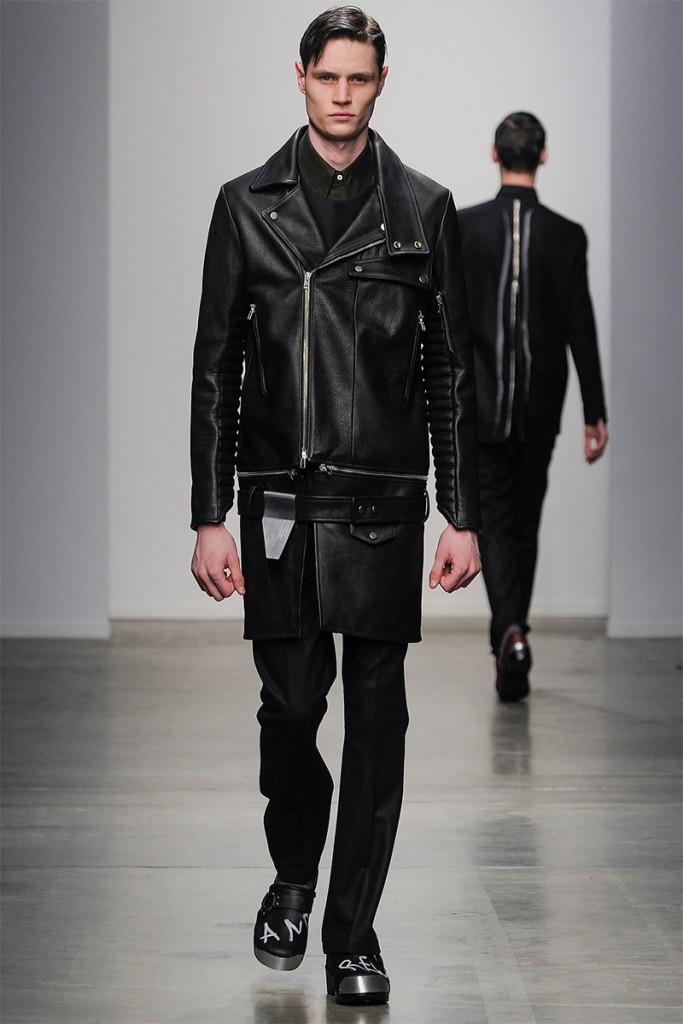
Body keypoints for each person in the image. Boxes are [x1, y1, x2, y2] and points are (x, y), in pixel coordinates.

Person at [189, 6, 481, 1007]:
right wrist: (208, 514)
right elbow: (216, 367)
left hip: (383, 505)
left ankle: (353, 935)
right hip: (275, 501)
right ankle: (293, 872)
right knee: (289, 707)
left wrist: (461, 512)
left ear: (380, 82)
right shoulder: (244, 206)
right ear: (301, 77)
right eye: (328, 78)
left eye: (359, 78)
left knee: (376, 722)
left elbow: (449, 369)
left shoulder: (422, 208)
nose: (343, 95)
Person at [457, 111, 608, 703]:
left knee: (494, 521)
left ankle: (510, 634)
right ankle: (513, 633)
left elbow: (449, 326)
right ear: (542, 156)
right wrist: (595, 412)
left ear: (494, 152)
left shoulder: (463, 227)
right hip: (541, 409)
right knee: (524, 524)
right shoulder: (566, 235)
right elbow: (580, 327)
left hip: (480, 408)